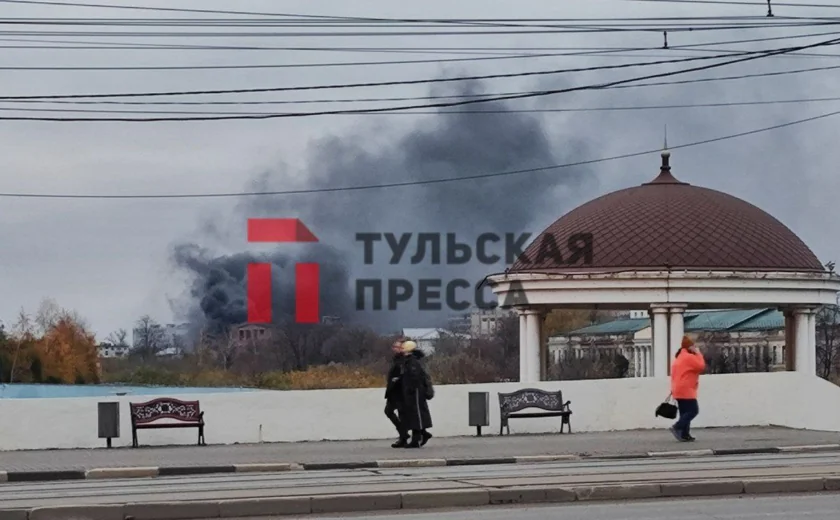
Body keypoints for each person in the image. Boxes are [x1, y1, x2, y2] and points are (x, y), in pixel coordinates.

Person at [670, 335, 706, 442]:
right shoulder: (688, 357)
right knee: (693, 410)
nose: (695, 347)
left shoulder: (679, 357)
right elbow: (701, 366)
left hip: (678, 388)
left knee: (684, 412)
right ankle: (677, 427)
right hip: (686, 388)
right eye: (693, 346)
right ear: (689, 347)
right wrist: (698, 353)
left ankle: (685, 434)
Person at [398, 340, 433, 448]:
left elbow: (414, 377)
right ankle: (421, 435)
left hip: (415, 392)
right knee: (413, 415)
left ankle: (416, 439)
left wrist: (411, 389)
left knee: (416, 415)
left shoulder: (412, 362)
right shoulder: (410, 361)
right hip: (413, 392)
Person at [384, 336, 409, 448]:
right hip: (393, 391)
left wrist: (396, 380)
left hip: (399, 392)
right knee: (390, 412)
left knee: (395, 413)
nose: (394, 348)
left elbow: (404, 375)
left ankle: (403, 435)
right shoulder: (396, 359)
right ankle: (403, 434)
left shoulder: (403, 361)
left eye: (397, 347)